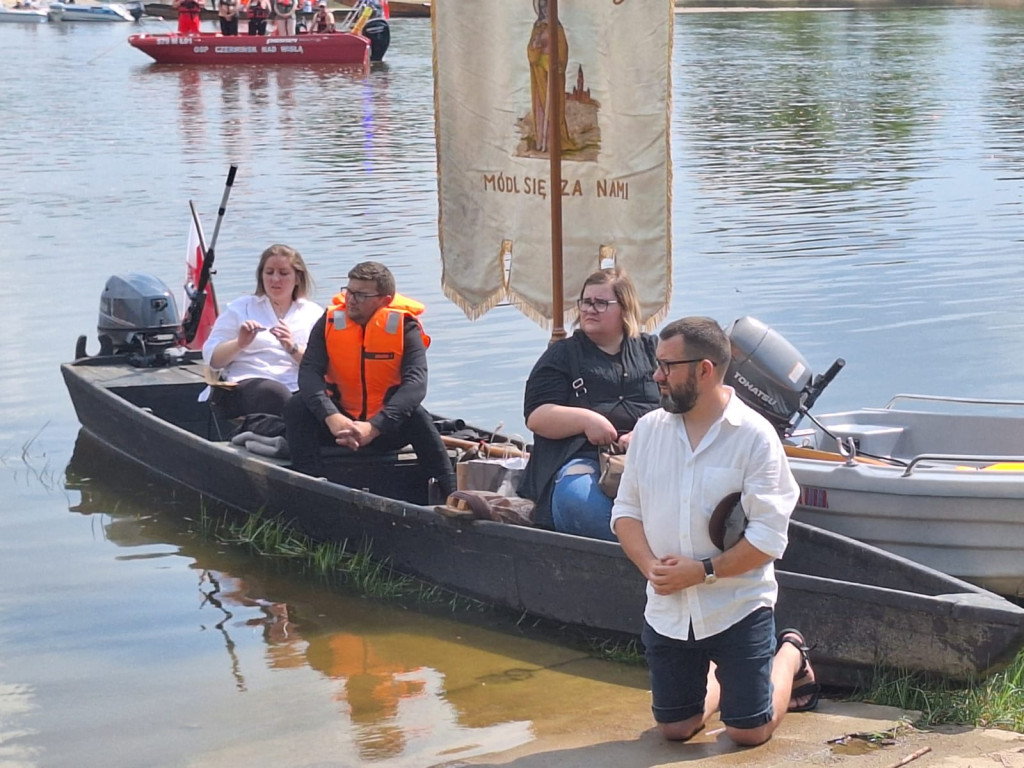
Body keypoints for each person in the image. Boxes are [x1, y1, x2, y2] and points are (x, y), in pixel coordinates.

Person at [610, 316, 820, 747]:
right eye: (658, 364)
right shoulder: (649, 432)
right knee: (676, 729)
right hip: (670, 609)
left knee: (749, 731)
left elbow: (767, 538)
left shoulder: (756, 438)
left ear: (704, 370)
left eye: (668, 366)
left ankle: (790, 655)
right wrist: (651, 567)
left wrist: (702, 571)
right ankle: (731, 681)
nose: (657, 375)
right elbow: (626, 512)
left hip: (738, 605)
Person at [284, 261, 457, 498]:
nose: (350, 300)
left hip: (385, 428)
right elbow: (309, 374)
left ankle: (451, 492)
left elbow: (416, 385)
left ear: (384, 300)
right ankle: (309, 486)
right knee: (297, 406)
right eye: (349, 291)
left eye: (360, 295)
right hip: (339, 425)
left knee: (417, 416)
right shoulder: (329, 322)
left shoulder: (405, 328)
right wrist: (332, 417)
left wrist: (374, 427)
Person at [517, 267, 659, 540]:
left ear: (625, 308)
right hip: (582, 460)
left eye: (601, 303)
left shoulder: (652, 350)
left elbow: (679, 404)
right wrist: (586, 420)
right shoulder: (562, 355)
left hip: (651, 458)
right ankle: (639, 559)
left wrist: (646, 429)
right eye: (586, 301)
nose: (590, 309)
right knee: (581, 506)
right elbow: (537, 415)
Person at [201, 244, 323, 419]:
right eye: (269, 272)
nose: (275, 279)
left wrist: (292, 347)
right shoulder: (241, 308)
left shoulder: (313, 313)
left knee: (316, 399)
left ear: (297, 278)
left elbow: (321, 365)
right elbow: (213, 360)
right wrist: (239, 344)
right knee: (274, 393)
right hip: (248, 383)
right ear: (261, 276)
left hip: (297, 383)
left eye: (283, 273)